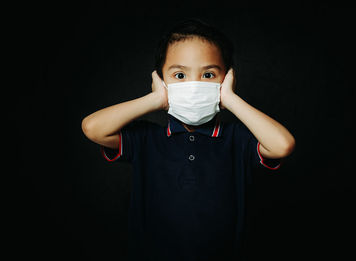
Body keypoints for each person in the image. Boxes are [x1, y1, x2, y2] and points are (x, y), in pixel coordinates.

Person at [81, 19, 295, 261]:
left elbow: (283, 145)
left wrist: (231, 100)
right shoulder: (146, 139)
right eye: (180, 75)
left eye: (209, 74)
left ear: (227, 79)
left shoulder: (238, 139)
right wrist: (154, 99)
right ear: (161, 80)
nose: (194, 86)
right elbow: (92, 128)